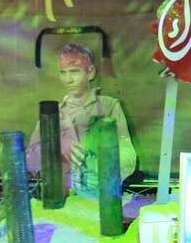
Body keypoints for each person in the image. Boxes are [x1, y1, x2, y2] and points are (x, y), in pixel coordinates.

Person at [26, 44, 137, 196]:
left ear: (90, 72)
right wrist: (56, 146)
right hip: (59, 197)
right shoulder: (52, 114)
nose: (68, 80)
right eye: (63, 72)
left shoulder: (107, 107)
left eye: (75, 71)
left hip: (100, 196)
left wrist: (96, 160)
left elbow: (128, 157)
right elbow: (30, 162)